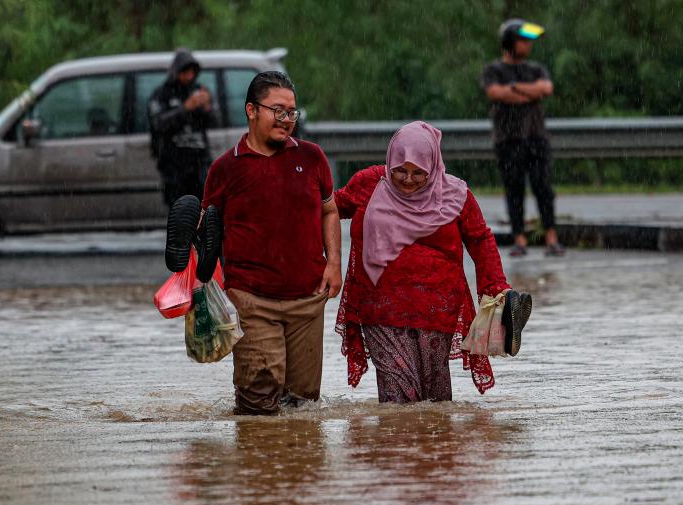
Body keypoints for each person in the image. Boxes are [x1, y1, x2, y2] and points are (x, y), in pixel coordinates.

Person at [334, 121, 530, 403]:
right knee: (397, 398)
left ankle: (435, 447)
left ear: (434, 166)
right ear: (389, 163)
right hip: (380, 309)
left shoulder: (455, 194)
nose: (408, 179)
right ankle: (393, 448)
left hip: (436, 310)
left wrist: (496, 287)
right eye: (400, 171)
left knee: (434, 399)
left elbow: (480, 239)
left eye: (418, 173)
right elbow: (326, 207)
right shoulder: (369, 183)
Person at [202, 71, 342, 415]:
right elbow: (208, 235)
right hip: (252, 300)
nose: (287, 120)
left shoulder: (311, 158)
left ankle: (295, 466)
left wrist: (334, 263)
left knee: (303, 406)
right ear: (252, 110)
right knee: (257, 402)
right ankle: (257, 467)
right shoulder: (225, 169)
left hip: (308, 298)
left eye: (291, 112)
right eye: (278, 111)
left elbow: (330, 211)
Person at [482, 19, 564, 257]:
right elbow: (496, 93)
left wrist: (515, 88)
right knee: (514, 189)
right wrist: (530, 91)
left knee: (543, 188)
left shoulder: (536, 68)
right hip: (508, 139)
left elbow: (546, 89)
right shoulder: (493, 70)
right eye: (523, 40)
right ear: (509, 42)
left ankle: (552, 238)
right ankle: (520, 240)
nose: (528, 45)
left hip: (536, 137)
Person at [148, 48, 218, 206]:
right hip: (174, 165)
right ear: (176, 71)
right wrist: (185, 108)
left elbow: (215, 121)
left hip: (199, 163)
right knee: (180, 213)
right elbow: (158, 124)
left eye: (193, 72)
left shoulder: (199, 90)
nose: (189, 76)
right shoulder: (161, 94)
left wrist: (207, 107)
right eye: (185, 72)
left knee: (204, 211)